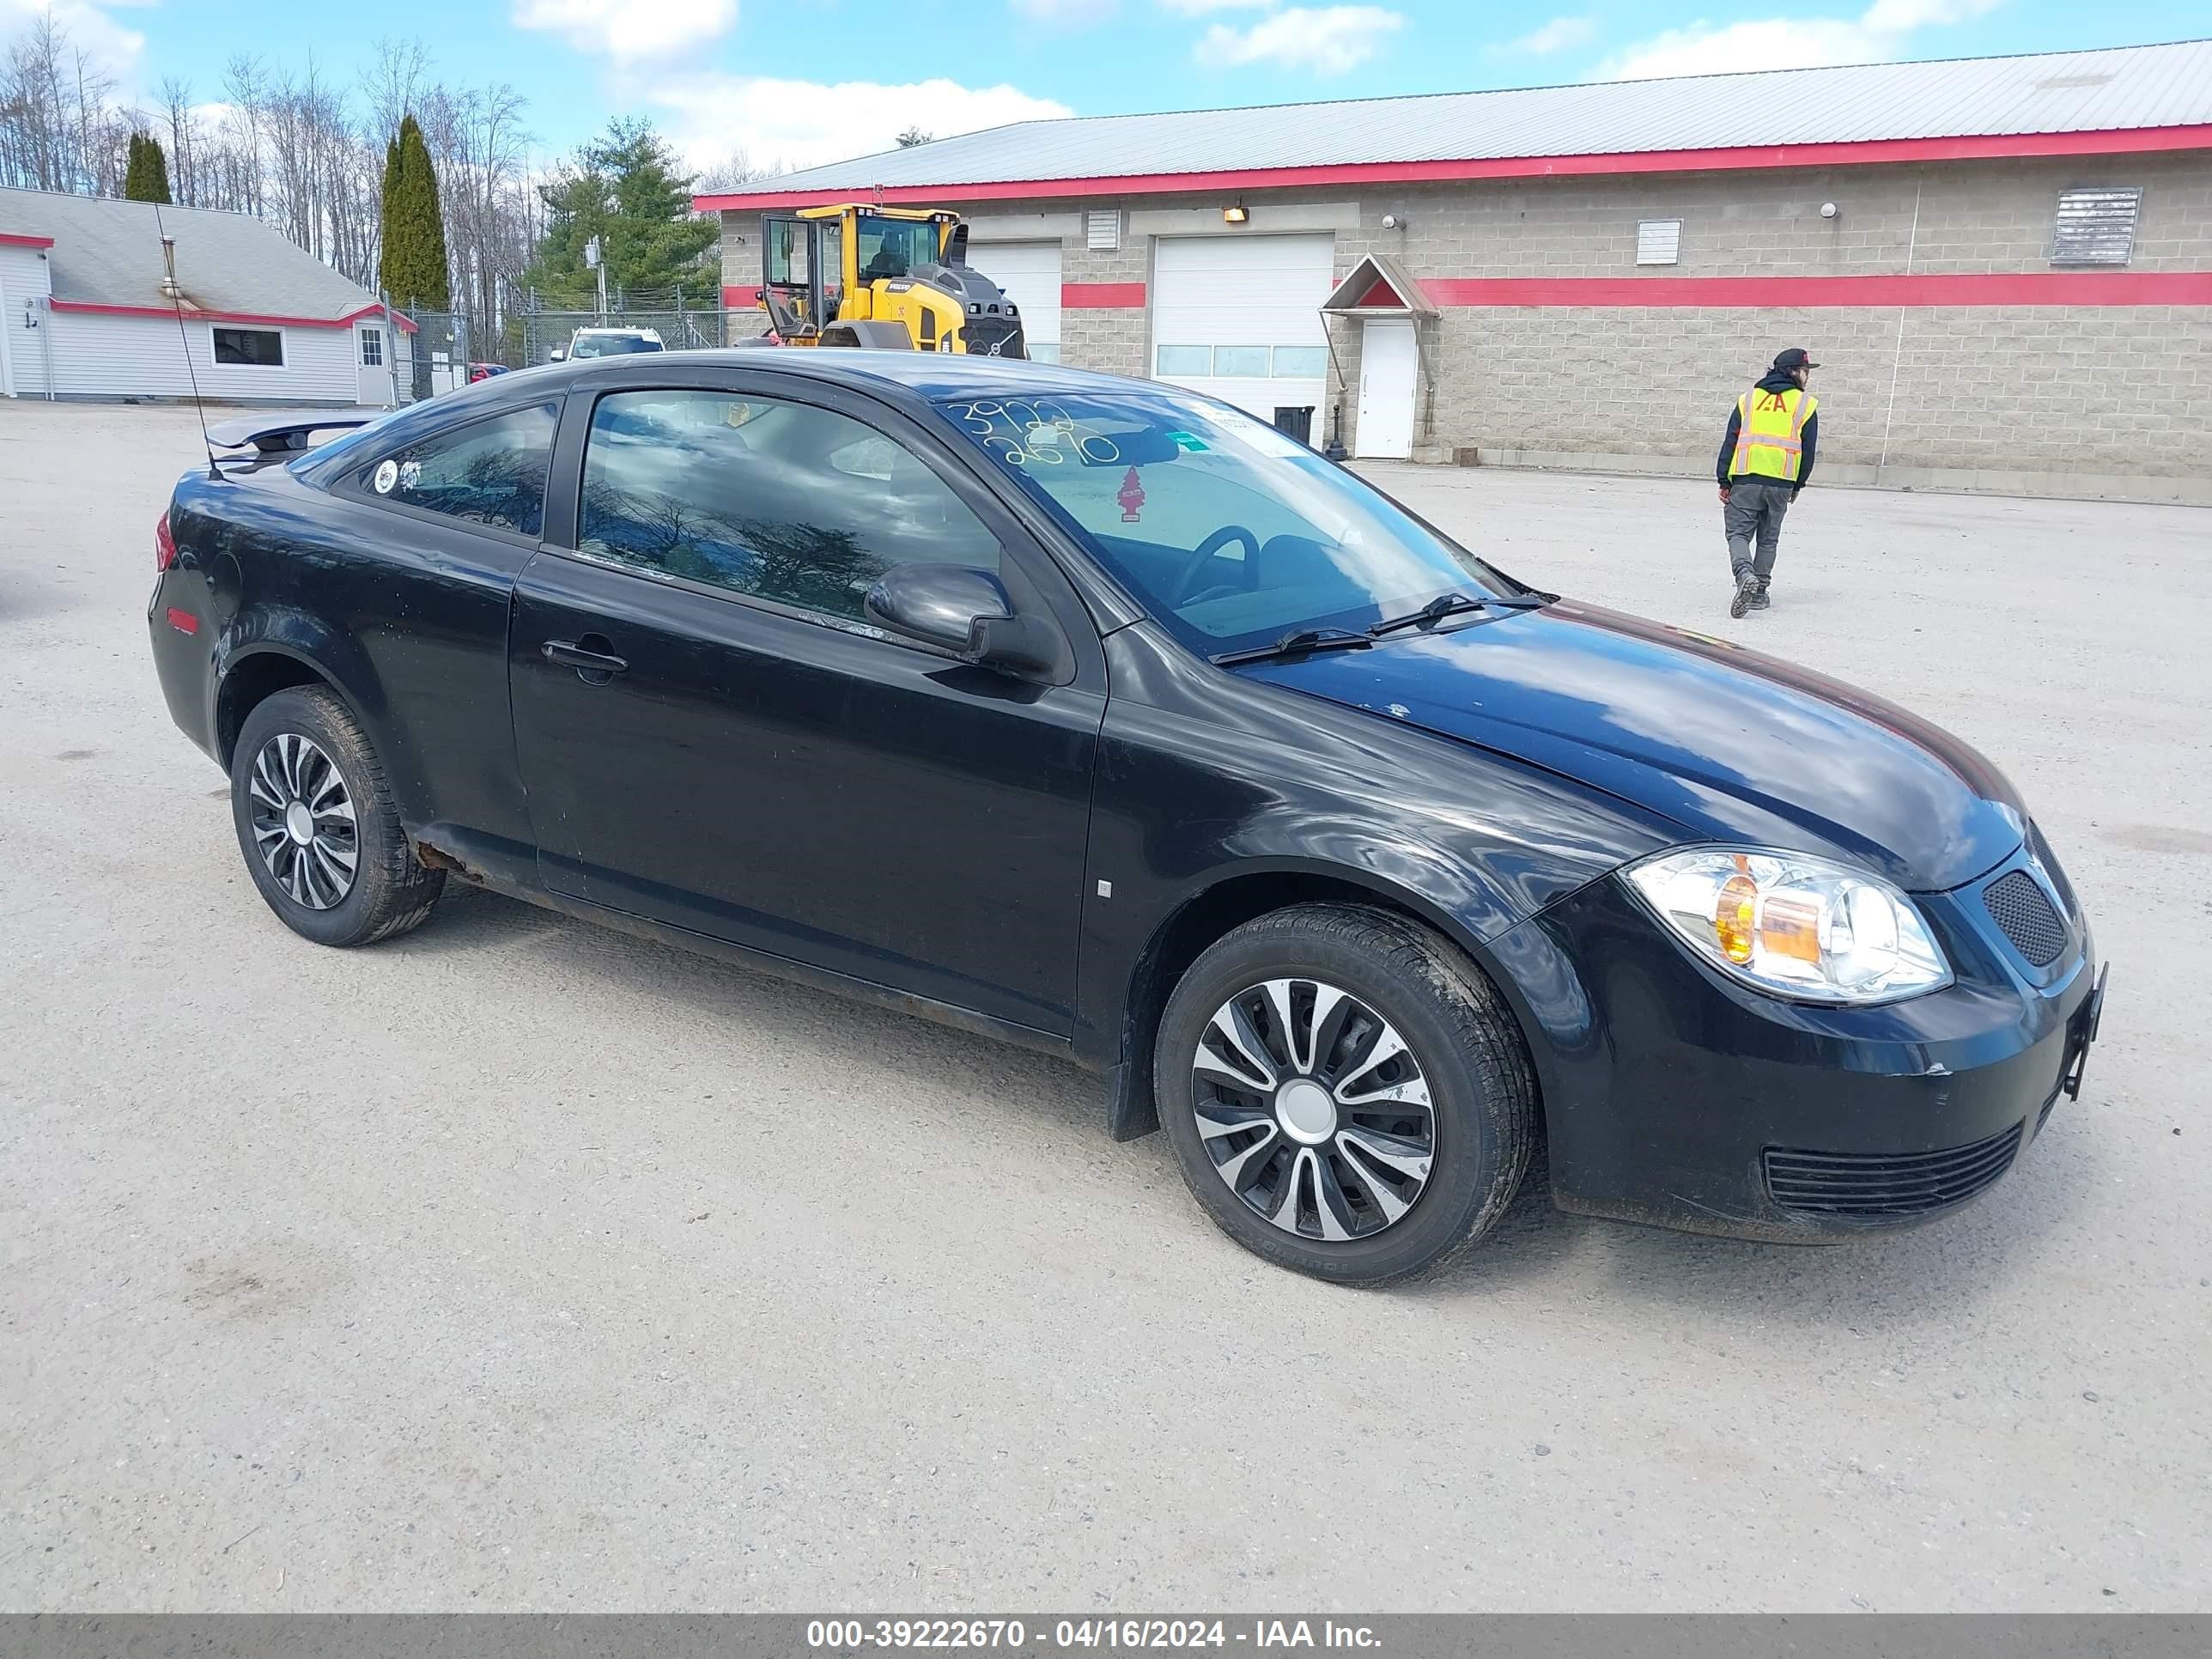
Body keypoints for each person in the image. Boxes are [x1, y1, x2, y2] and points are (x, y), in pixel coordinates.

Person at [1717, 347, 1820, 618]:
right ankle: (1759, 592)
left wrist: (1723, 479)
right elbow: (1808, 450)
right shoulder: (1805, 404)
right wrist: (1799, 484)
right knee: (1768, 539)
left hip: (1746, 478)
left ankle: (1744, 573)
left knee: (1738, 534)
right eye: (1805, 371)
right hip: (1781, 482)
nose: (1807, 376)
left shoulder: (1748, 399)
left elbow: (1731, 440)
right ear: (1792, 372)